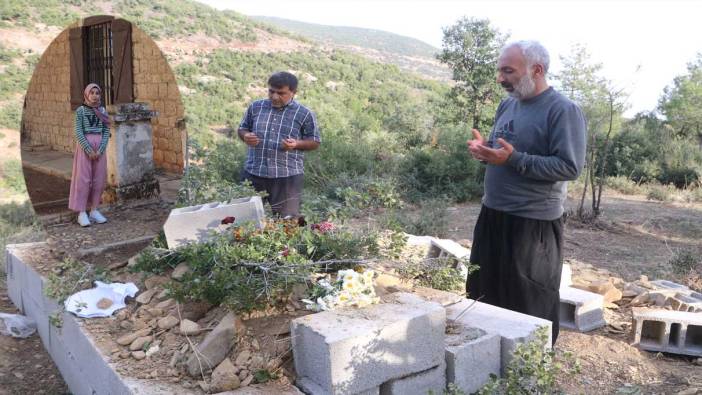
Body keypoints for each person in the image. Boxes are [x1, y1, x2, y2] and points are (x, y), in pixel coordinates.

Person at [465, 40, 587, 344]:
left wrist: (514, 159)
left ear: (537, 69)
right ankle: (488, 361)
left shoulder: (563, 111)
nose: (501, 78)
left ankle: (532, 369)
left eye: (508, 71)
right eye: (500, 71)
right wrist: (485, 151)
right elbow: (501, 150)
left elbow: (569, 167)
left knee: (530, 303)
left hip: (533, 225)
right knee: (484, 292)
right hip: (493, 214)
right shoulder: (508, 103)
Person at [237, 71, 320, 217]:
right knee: (245, 220)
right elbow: (242, 128)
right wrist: (246, 136)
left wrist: (296, 144)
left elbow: (314, 142)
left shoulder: (304, 113)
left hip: (286, 178)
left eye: (281, 93)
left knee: (287, 223)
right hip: (253, 173)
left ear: (294, 92)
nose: (274, 97)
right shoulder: (256, 107)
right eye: (271, 91)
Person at [68, 83, 110, 227]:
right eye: (91, 93)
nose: (94, 95)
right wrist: (88, 149)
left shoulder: (103, 110)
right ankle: (81, 212)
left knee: (99, 179)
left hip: (100, 148)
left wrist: (101, 149)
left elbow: (106, 131)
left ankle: (94, 210)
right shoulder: (81, 110)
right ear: (86, 94)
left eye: (97, 93)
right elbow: (78, 131)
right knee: (83, 179)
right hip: (85, 147)